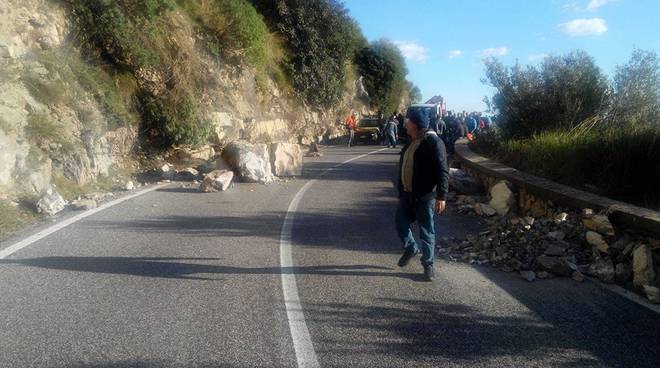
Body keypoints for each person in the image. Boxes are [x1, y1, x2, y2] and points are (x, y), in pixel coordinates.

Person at [396, 109, 449, 281]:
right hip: (407, 194)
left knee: (426, 231)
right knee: (400, 222)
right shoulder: (411, 142)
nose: (406, 124)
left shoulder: (433, 142)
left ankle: (428, 265)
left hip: (425, 196)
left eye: (408, 121)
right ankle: (411, 247)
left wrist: (442, 196)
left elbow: (442, 170)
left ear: (416, 124)